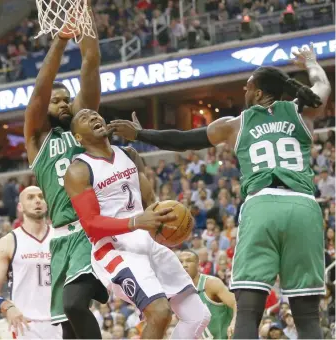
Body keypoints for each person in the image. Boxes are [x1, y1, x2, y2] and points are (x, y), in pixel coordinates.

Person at [109, 44, 330, 338]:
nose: (245, 89)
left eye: (249, 87)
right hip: (304, 205)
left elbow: (184, 139)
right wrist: (311, 61)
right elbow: (322, 84)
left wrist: (141, 134)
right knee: (307, 317)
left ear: (261, 94)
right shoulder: (303, 112)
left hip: (262, 206)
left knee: (249, 313)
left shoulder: (235, 124)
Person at [63, 109, 211, 339]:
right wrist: (135, 221)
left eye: (95, 114)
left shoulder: (129, 154)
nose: (93, 117)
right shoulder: (78, 170)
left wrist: (170, 220)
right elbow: (91, 224)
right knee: (160, 312)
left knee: (198, 316)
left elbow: (150, 201)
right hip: (114, 248)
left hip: (147, 238)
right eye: (84, 118)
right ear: (77, 138)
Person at [23, 2, 108, 338]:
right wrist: (59, 40)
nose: (61, 103)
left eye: (66, 100)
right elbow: (38, 96)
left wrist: (83, 15)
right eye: (56, 101)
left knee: (75, 305)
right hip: (60, 238)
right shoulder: (37, 138)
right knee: (67, 326)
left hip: (91, 229)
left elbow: (91, 61)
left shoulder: (81, 129)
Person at [0, 186, 62, 339]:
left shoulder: (62, 236)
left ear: (47, 203)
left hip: (62, 321)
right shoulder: (8, 242)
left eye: (41, 196)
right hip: (26, 326)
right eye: (31, 197)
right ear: (20, 206)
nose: (37, 200)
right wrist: (8, 307)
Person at [178, 250, 236, 339]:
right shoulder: (181, 293)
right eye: (180, 262)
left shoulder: (211, 283)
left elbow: (236, 303)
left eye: (189, 261)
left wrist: (234, 323)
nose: (184, 265)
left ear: (198, 265)